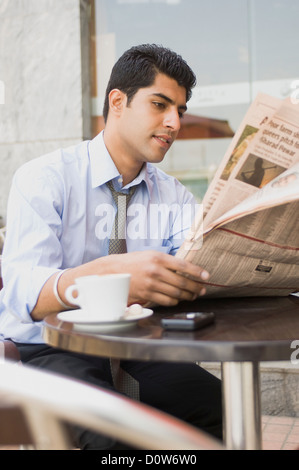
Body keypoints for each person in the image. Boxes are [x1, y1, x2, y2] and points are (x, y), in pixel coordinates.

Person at [0, 44, 222, 449]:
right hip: (50, 346)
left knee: (217, 408)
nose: (174, 122)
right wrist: (109, 279)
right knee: (109, 441)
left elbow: (198, 262)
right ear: (117, 102)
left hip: (138, 343)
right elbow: (20, 293)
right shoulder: (43, 178)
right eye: (160, 104)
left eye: (181, 110)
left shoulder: (173, 194)